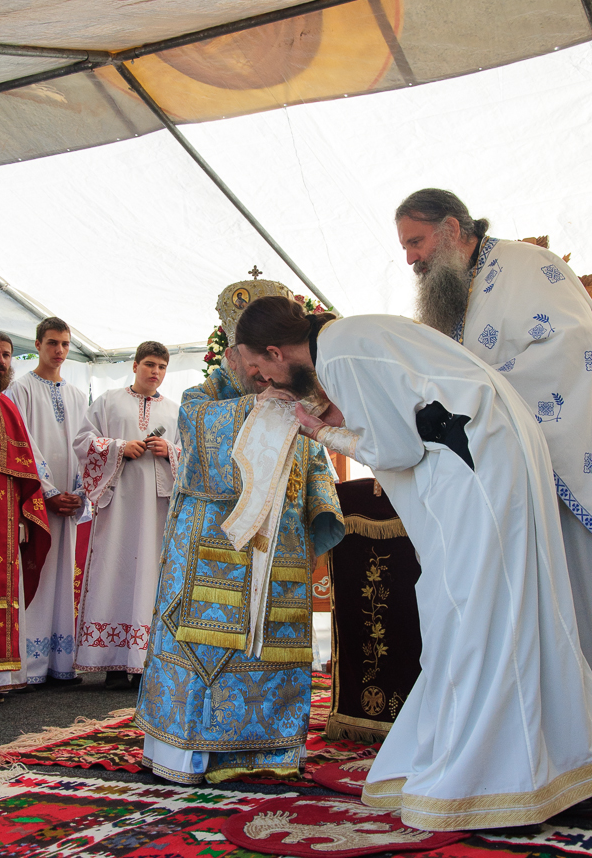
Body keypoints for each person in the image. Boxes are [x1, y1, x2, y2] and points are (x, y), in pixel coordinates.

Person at [235, 295, 592, 831]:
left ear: (274, 351)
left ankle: (496, 782)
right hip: (492, 459)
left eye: (258, 370)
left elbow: (396, 449)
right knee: (497, 611)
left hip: (477, 471)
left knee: (472, 616)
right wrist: (341, 419)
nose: (263, 382)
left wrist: (318, 430)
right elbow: (408, 413)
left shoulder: (340, 353)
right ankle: (560, 765)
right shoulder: (348, 338)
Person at [136, 277, 344, 784]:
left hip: (282, 543)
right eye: (247, 362)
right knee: (205, 649)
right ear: (232, 353)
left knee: (275, 643)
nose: (255, 373)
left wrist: (320, 511)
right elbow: (200, 438)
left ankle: (271, 750)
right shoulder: (202, 398)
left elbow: (314, 460)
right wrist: (261, 409)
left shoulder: (297, 394)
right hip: (212, 540)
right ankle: (192, 754)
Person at [395, 188, 592, 665]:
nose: (411, 258)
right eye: (405, 247)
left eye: (416, 242)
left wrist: (478, 394)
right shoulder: (455, 289)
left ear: (452, 229)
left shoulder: (529, 267)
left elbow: (572, 347)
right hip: (498, 478)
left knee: (571, 600)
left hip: (552, 470)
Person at [73, 341, 180, 690]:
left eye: (161, 367)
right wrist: (119, 447)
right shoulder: (108, 401)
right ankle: (112, 664)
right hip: (118, 504)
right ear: (135, 365)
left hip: (157, 509)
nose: (155, 372)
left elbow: (192, 456)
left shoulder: (175, 411)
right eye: (149, 364)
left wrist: (170, 450)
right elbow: (83, 441)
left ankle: (147, 663)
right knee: (113, 571)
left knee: (152, 575)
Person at [5, 318, 87, 685]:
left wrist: (78, 492)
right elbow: (22, 445)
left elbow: (85, 445)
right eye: (53, 343)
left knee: (64, 575)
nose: (60, 351)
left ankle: (60, 661)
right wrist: (49, 492)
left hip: (68, 503)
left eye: (65, 344)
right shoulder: (19, 390)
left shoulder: (78, 396)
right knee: (34, 571)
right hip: (34, 501)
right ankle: (30, 664)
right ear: (37, 345)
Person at [0, 331, 51, 699]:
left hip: (3, 517)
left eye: (6, 355)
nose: (0, 362)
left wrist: (23, 515)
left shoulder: (7, 406)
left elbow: (25, 470)